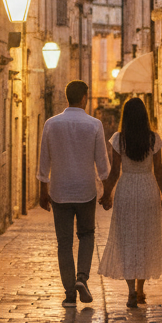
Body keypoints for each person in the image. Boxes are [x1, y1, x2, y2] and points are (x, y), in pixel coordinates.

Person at [36, 80, 110, 307]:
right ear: (85, 98)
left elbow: (44, 159)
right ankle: (82, 279)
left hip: (60, 191)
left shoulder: (51, 124)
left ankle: (69, 293)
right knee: (87, 235)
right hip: (86, 190)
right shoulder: (95, 125)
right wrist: (107, 191)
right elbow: (103, 164)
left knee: (64, 242)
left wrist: (43, 189)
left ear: (67, 97)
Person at [98, 97, 162, 308]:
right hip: (148, 190)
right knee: (145, 240)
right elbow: (158, 170)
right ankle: (141, 289)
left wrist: (107, 194)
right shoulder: (153, 139)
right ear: (144, 117)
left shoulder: (118, 140)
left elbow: (114, 172)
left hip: (127, 189)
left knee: (127, 241)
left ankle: (131, 291)